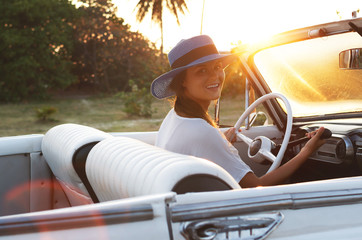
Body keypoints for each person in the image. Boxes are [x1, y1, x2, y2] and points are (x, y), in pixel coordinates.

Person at [151, 35, 326, 188]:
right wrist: (307, 151)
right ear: (183, 81)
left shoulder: (175, 117)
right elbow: (258, 186)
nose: (215, 76)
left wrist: (223, 141)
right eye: (201, 71)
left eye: (217, 66)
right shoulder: (202, 133)